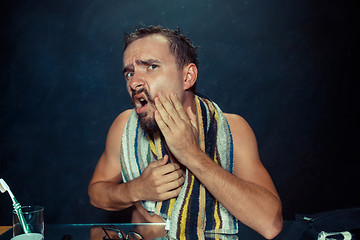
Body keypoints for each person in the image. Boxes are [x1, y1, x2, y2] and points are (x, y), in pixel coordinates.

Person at [88, 25, 283, 239]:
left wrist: (192, 154)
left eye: (151, 66)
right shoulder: (125, 126)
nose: (134, 82)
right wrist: (136, 189)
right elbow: (96, 193)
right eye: (130, 73)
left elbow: (270, 224)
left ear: (187, 76)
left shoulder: (232, 129)